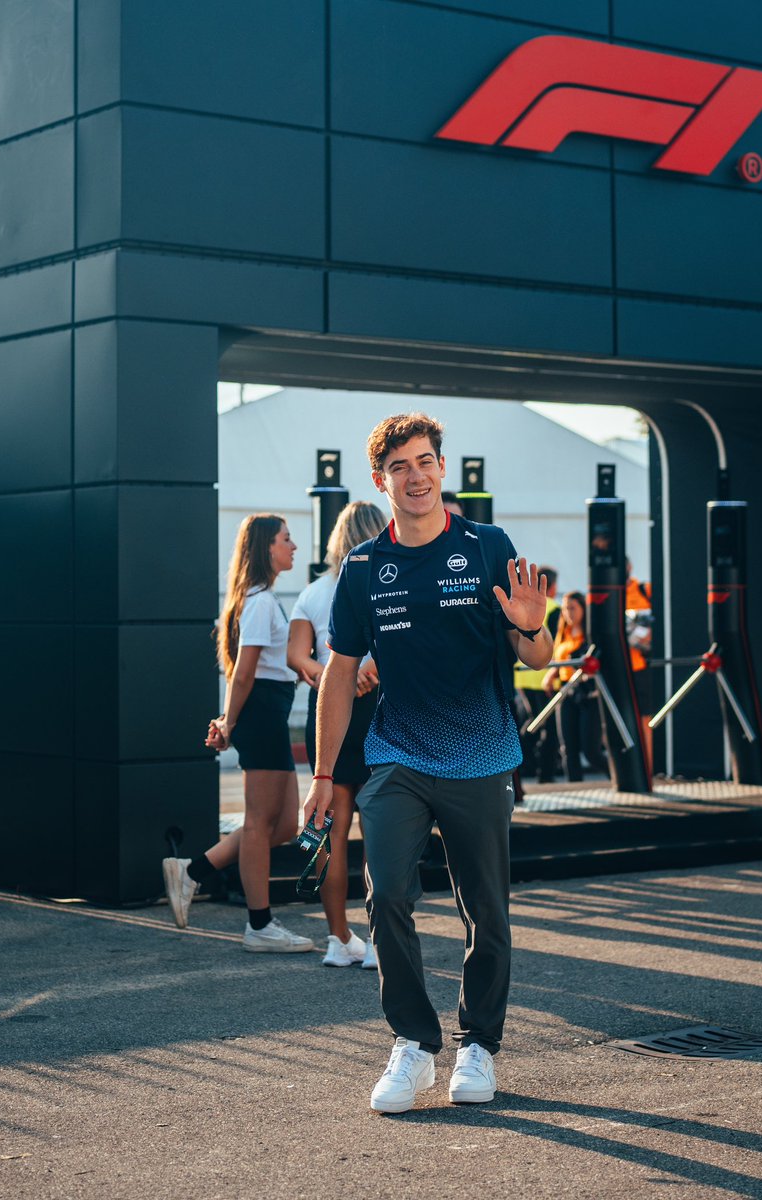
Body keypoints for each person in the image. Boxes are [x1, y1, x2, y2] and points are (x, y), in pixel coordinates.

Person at [304, 412, 552, 1114]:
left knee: (486, 911)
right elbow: (338, 674)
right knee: (386, 894)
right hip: (397, 758)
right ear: (380, 480)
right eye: (399, 467)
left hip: (481, 756)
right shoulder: (363, 568)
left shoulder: (488, 546)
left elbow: (537, 657)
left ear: (441, 468)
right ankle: (413, 1043)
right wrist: (321, 775)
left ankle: (479, 1046)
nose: (415, 476)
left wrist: (533, 625)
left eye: (424, 462)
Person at [161, 513, 313, 953]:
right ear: (266, 546)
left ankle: (192, 872)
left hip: (270, 712)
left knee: (283, 825)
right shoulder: (260, 602)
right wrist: (228, 721)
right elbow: (243, 674)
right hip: (261, 714)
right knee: (260, 823)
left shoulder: (263, 599)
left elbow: (264, 667)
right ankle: (259, 925)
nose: (293, 547)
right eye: (286, 539)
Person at [287, 501, 387, 969]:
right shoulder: (386, 578)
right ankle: (380, 941)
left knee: (330, 828)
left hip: (328, 710)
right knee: (381, 829)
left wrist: (324, 674)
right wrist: (366, 672)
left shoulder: (313, 591)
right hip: (377, 705)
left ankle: (338, 937)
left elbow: (296, 656)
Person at [542, 591, 605, 781]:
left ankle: (617, 775)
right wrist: (551, 674)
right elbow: (559, 660)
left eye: (572, 608)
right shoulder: (563, 632)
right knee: (568, 748)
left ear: (583, 609)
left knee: (590, 749)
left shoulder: (591, 634)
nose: (568, 613)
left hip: (587, 693)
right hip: (565, 691)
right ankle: (574, 784)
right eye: (565, 608)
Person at [515, 565, 561, 782]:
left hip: (523, 675)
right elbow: (557, 644)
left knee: (534, 720)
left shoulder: (521, 605)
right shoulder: (554, 609)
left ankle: (527, 765)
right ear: (552, 587)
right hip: (545, 676)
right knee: (549, 727)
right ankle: (545, 774)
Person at [626, 558, 654, 776]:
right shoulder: (605, 594)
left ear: (629, 567)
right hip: (615, 668)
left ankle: (647, 769)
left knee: (645, 718)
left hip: (640, 667)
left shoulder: (644, 590)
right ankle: (630, 769)